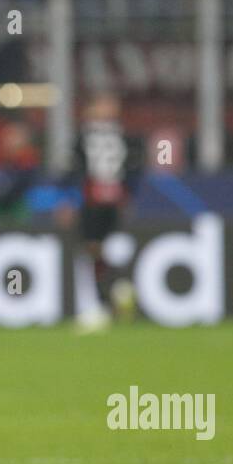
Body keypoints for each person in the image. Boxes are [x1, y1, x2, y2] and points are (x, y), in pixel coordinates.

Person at [73, 93, 143, 333]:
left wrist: (70, 199)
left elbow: (75, 170)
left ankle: (105, 301)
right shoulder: (126, 136)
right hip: (116, 202)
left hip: (94, 202)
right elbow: (135, 167)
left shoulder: (85, 136)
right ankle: (118, 290)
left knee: (93, 249)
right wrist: (128, 195)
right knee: (105, 250)